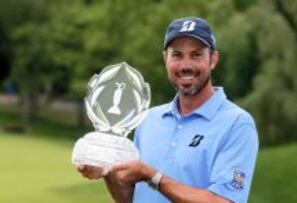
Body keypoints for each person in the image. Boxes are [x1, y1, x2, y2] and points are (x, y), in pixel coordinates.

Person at [77, 16, 259, 203]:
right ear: (166, 59)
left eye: (196, 55)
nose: (186, 65)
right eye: (177, 55)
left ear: (213, 59)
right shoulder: (148, 119)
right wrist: (107, 170)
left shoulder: (237, 123)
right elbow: (133, 199)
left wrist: (153, 177)